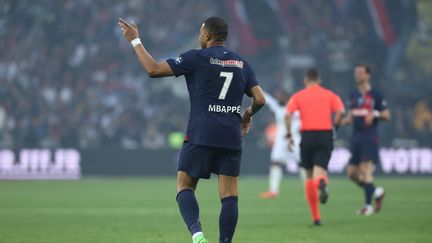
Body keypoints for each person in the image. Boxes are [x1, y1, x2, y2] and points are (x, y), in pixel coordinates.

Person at [118, 16, 265, 243]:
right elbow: (260, 99)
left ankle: (197, 236)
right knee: (229, 195)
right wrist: (247, 115)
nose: (199, 35)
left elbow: (153, 69)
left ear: (207, 35)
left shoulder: (196, 58)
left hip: (201, 133)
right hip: (231, 136)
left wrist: (135, 41)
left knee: (185, 185)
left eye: (200, 31)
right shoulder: (242, 63)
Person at [285, 68, 345, 226]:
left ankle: (316, 217)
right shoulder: (329, 95)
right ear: (319, 80)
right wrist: (335, 128)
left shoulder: (299, 96)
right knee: (320, 172)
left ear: (306, 80)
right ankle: (322, 182)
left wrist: (289, 134)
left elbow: (287, 114)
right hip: (324, 135)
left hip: (307, 137)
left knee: (308, 176)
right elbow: (341, 112)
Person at [342, 64, 390, 216]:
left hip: (370, 137)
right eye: (356, 72)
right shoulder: (353, 94)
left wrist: (375, 114)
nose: (357, 75)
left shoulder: (376, 95)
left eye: (360, 72)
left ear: (368, 75)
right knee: (351, 173)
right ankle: (376, 191)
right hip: (356, 137)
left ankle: (367, 206)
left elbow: (386, 115)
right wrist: (347, 120)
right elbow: (351, 113)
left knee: (365, 169)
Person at [259, 90, 304, 199]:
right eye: (278, 96)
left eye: (281, 96)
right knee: (275, 162)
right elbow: (268, 99)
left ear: (286, 97)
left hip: (294, 139)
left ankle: (309, 188)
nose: (278, 98)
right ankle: (273, 191)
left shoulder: (296, 109)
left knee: (303, 164)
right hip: (280, 141)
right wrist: (255, 88)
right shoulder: (278, 107)